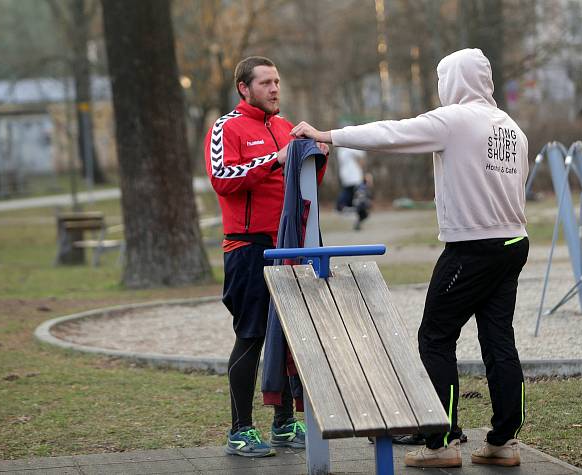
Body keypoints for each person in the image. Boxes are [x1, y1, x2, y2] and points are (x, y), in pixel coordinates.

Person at [291, 48, 529, 469]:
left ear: (453, 80)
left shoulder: (455, 119)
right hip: (512, 243)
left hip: (472, 249)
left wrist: (329, 135)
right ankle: (504, 440)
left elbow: (391, 133)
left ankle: (441, 441)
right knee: (498, 340)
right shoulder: (511, 128)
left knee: (435, 336)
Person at [204, 56, 329, 458]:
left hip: (289, 245)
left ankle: (284, 424)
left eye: (277, 81)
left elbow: (301, 187)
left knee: (291, 337)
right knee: (253, 334)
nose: (275, 89)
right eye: (266, 83)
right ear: (244, 87)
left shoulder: (284, 126)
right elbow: (222, 179)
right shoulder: (227, 126)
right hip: (247, 247)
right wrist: (272, 160)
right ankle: (240, 431)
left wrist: (317, 159)